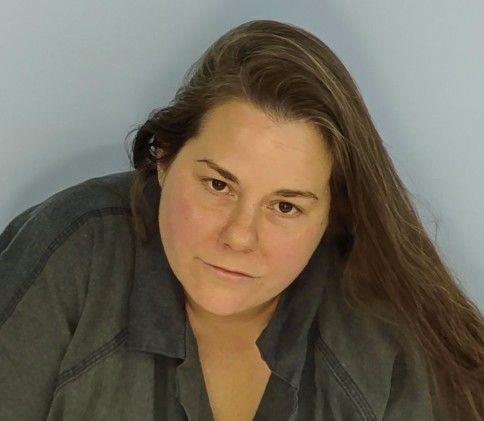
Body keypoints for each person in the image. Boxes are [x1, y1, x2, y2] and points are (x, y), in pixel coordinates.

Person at [1, 19, 482, 421]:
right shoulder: (71, 254)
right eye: (218, 185)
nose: (238, 236)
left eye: (285, 207)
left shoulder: (385, 343)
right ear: (163, 158)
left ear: (331, 215)